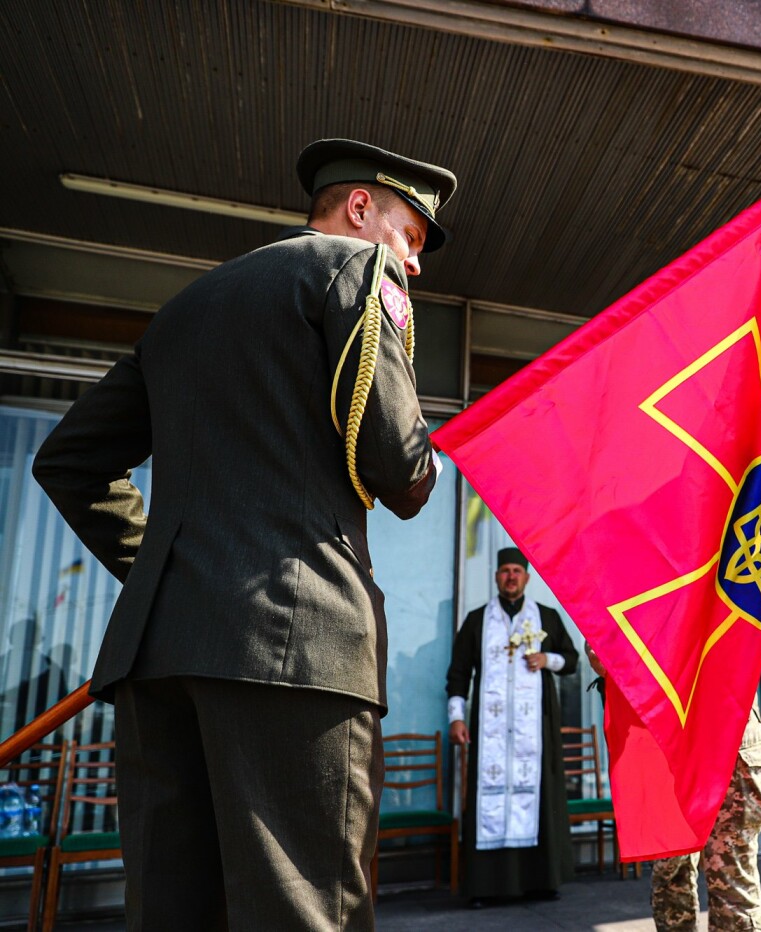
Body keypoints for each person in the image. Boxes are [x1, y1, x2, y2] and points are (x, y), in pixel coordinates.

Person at [31, 138, 455, 929]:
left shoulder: (184, 310)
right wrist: (429, 463)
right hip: (297, 652)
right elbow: (397, 467)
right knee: (304, 913)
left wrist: (171, 569)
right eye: (412, 236)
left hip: (159, 659)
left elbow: (67, 461)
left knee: (176, 914)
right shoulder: (357, 270)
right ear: (360, 210)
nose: (415, 263)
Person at [584, 628, 761, 932]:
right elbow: (601, 644)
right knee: (670, 879)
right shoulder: (633, 579)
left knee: (733, 890)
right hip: (665, 746)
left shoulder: (730, 576)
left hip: (728, 741)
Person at [447, 547, 579, 906]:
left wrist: (546, 658)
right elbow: (458, 672)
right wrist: (456, 716)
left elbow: (572, 661)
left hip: (534, 730)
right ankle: (486, 887)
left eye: (516, 571)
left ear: (527, 577)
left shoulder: (546, 617)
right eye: (504, 570)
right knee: (487, 797)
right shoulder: (477, 620)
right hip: (490, 732)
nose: (510, 576)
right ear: (496, 577)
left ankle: (541, 882)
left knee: (538, 794)